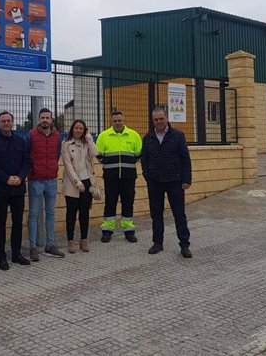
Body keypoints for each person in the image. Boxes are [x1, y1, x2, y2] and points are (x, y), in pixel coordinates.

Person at [0, 110, 32, 270]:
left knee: (18, 222)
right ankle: (2, 257)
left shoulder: (20, 141)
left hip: (18, 188)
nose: (6, 123)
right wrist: (6, 178)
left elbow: (27, 161)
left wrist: (21, 177)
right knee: (0, 223)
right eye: (3, 121)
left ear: (12, 122)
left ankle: (16, 254)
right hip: (1, 189)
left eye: (8, 120)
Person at [140, 107, 193, 258]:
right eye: (156, 120)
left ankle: (184, 245)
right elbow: (144, 158)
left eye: (161, 119)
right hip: (155, 182)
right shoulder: (148, 137)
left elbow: (185, 158)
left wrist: (187, 179)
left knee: (179, 214)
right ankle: (158, 243)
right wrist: (147, 175)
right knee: (156, 214)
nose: (159, 122)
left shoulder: (177, 135)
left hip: (175, 181)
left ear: (167, 118)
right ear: (153, 121)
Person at [96, 111, 142, 243]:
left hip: (129, 177)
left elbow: (139, 154)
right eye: (115, 121)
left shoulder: (134, 135)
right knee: (110, 203)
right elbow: (99, 155)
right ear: (111, 121)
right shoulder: (103, 136)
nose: (117, 123)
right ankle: (107, 231)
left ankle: (129, 231)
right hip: (111, 178)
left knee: (128, 203)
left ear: (124, 120)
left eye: (119, 120)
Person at [26, 108, 64, 261]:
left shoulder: (57, 136)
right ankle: (33, 247)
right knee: (34, 214)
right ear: (39, 119)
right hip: (36, 180)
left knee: (50, 213)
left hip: (52, 181)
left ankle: (50, 245)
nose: (45, 120)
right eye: (42, 117)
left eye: (47, 117)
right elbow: (27, 155)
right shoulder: (31, 135)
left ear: (51, 119)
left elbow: (57, 154)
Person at [61, 119, 98, 253]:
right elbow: (68, 166)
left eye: (81, 129)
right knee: (71, 213)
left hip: (87, 181)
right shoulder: (66, 144)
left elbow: (96, 153)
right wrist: (77, 182)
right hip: (72, 183)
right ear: (72, 129)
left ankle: (84, 239)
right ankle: (70, 241)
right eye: (76, 128)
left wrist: (89, 139)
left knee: (84, 213)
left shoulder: (86, 143)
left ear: (84, 130)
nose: (78, 130)